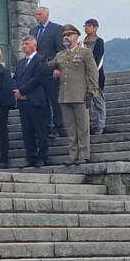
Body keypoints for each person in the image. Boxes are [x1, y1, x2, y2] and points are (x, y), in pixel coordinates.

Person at [48, 24, 100, 165]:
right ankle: (72, 154)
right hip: (65, 95)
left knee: (83, 127)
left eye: (70, 35)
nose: (66, 37)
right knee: (70, 127)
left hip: (81, 94)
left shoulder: (85, 53)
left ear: (76, 36)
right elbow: (48, 66)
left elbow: (93, 73)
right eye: (65, 35)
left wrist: (91, 91)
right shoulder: (60, 55)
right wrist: (42, 61)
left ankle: (83, 154)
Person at [13, 35, 49, 168]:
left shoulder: (40, 59)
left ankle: (43, 157)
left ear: (34, 45)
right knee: (27, 131)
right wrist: (16, 90)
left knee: (40, 130)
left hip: (35, 100)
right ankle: (31, 157)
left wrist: (22, 90)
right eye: (23, 44)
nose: (24, 46)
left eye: (27, 44)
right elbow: (15, 78)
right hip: (23, 101)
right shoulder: (21, 62)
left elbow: (38, 78)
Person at [33, 6, 65, 138]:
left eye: (40, 14)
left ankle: (59, 126)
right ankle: (47, 126)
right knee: (43, 99)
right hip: (38, 70)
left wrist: (58, 67)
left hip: (52, 69)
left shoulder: (57, 29)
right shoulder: (33, 30)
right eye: (36, 15)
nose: (38, 17)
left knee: (54, 99)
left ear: (47, 15)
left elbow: (60, 50)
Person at [82, 19, 107, 135]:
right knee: (87, 102)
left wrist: (92, 73)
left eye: (89, 26)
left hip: (96, 76)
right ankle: (88, 125)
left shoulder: (99, 42)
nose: (87, 28)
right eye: (85, 26)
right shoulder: (82, 43)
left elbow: (98, 60)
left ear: (96, 28)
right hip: (83, 76)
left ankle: (99, 125)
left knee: (98, 101)